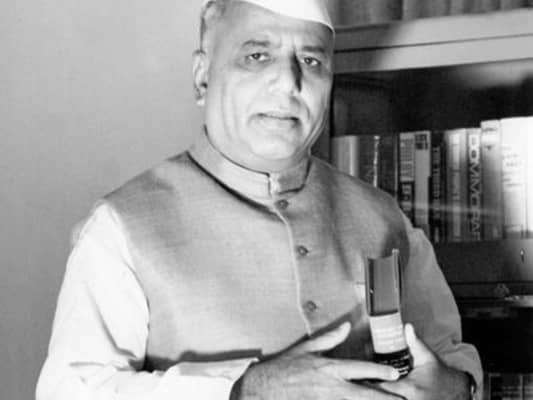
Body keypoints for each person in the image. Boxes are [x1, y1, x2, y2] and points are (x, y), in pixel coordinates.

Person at [36, 0, 482, 399]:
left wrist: (457, 386)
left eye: (311, 60)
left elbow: (450, 355)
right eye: (257, 56)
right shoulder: (121, 226)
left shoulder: (383, 217)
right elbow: (70, 390)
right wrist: (245, 389)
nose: (288, 82)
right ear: (202, 77)